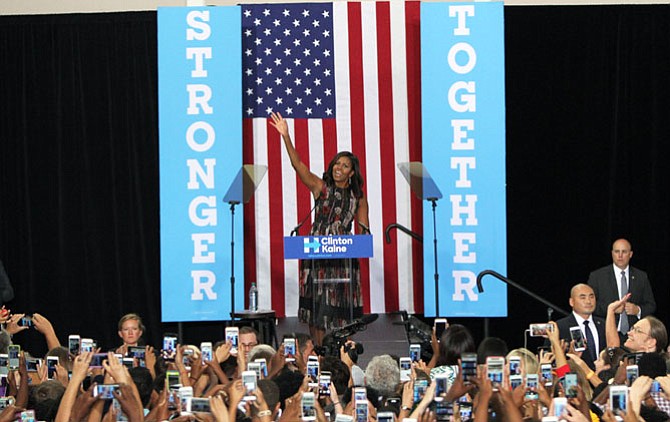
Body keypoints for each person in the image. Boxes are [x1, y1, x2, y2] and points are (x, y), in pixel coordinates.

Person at [270, 112, 370, 346]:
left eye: (345, 165)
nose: (339, 167)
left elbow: (364, 231)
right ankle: (318, 352)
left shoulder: (358, 197)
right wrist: (286, 136)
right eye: (337, 163)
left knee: (342, 309)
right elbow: (298, 166)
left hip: (343, 259)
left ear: (351, 172)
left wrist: (362, 240)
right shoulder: (321, 187)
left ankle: (344, 354)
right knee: (317, 308)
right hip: (317, 256)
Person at [587, 238, 656, 338]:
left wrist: (638, 310)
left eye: (624, 252)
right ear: (612, 253)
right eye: (616, 251)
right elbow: (590, 305)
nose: (620, 256)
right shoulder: (597, 276)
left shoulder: (641, 276)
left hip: (634, 336)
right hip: (606, 334)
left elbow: (651, 305)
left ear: (630, 254)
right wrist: (611, 309)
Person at [553, 283, 606, 370]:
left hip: (603, 379)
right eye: (583, 297)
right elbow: (552, 360)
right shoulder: (560, 327)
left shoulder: (603, 324)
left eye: (591, 297)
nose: (588, 301)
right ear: (571, 302)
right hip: (575, 378)